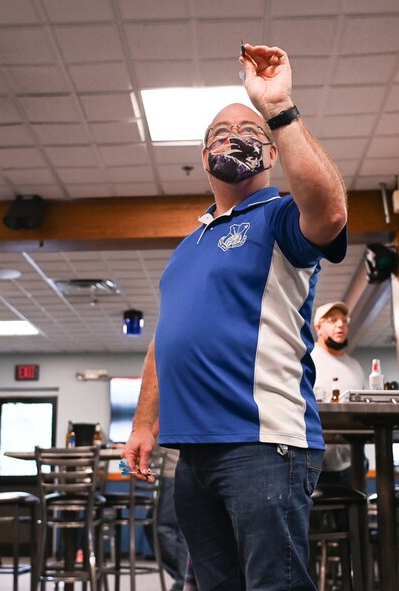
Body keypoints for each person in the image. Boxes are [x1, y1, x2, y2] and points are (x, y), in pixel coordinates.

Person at [122, 43, 348, 591]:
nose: (233, 138)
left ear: (271, 154)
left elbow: (331, 211)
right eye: (220, 134)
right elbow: (166, 338)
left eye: (250, 134)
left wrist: (278, 109)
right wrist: (144, 423)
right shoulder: (186, 246)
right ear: (204, 159)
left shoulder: (279, 219)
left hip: (262, 445)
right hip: (192, 454)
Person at [311, 301, 365, 486]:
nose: (340, 325)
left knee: (353, 513)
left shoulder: (355, 367)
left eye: (344, 320)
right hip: (314, 464)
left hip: (351, 462)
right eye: (332, 320)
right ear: (318, 327)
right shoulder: (309, 362)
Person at [144, 421, 189, 591]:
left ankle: (184, 581)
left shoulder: (160, 403)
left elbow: (152, 431)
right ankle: (188, 578)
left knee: (163, 529)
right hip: (169, 473)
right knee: (155, 528)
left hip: (172, 472)